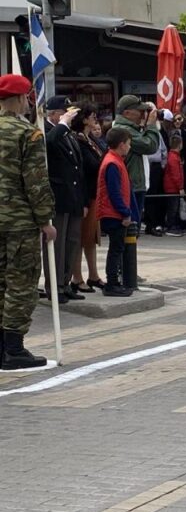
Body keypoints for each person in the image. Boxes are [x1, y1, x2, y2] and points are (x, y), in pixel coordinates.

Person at [0, 75, 56, 371]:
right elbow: (35, 182)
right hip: (19, 221)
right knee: (21, 284)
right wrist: (45, 220)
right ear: (22, 99)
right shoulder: (28, 133)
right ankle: (13, 348)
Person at [42, 96, 86, 303]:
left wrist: (83, 200)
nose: (68, 116)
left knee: (72, 241)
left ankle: (65, 283)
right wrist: (61, 124)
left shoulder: (67, 133)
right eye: (63, 112)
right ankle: (54, 286)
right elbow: (49, 143)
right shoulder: (46, 130)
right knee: (57, 245)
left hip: (73, 196)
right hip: (57, 196)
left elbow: (78, 168)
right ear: (53, 113)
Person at [95, 128, 140, 297]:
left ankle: (114, 281)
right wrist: (124, 212)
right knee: (116, 249)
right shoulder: (112, 163)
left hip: (114, 212)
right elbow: (114, 192)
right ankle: (112, 283)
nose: (129, 147)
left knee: (117, 248)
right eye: (128, 144)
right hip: (113, 214)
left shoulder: (114, 160)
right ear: (121, 145)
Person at [69, 105, 105, 293]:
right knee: (80, 238)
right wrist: (82, 201)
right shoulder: (77, 140)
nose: (95, 119)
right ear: (83, 119)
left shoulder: (91, 139)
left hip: (94, 194)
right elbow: (80, 173)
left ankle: (93, 275)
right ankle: (77, 278)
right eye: (92, 116)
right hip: (84, 195)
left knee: (91, 238)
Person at [111, 95, 161, 225]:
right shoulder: (124, 130)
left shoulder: (131, 128)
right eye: (140, 111)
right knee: (131, 230)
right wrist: (150, 126)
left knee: (133, 230)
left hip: (135, 184)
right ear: (126, 113)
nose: (143, 114)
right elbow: (150, 146)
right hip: (131, 185)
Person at [163, 135, 186, 236]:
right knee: (173, 207)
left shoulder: (173, 156)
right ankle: (170, 227)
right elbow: (175, 174)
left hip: (172, 186)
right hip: (172, 187)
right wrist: (180, 187)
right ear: (180, 144)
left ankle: (174, 225)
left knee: (174, 207)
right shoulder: (173, 157)